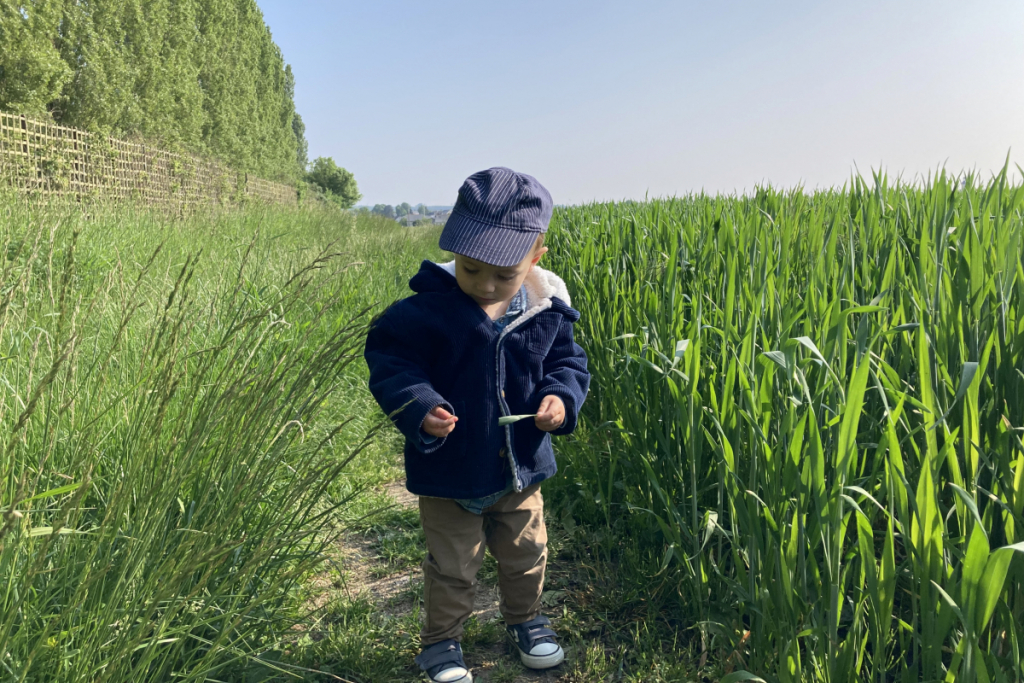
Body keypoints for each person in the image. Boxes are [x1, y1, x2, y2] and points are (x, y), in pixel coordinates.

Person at [364, 167, 590, 682]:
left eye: (503, 274)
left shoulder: (546, 310)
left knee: (527, 552)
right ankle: (441, 643)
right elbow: (392, 362)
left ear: (535, 257)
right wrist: (418, 404)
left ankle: (527, 620)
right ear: (455, 254)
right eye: (471, 270)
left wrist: (560, 397)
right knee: (452, 566)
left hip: (521, 466)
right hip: (451, 473)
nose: (485, 285)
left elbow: (568, 365)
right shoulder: (423, 313)